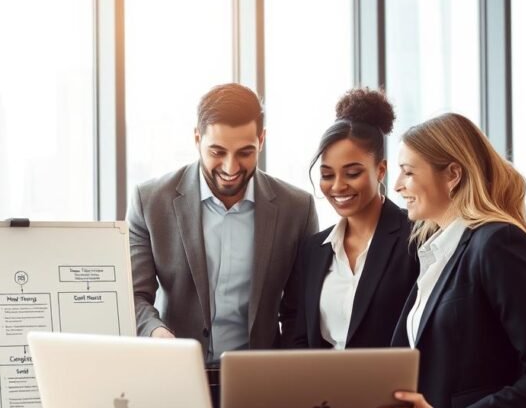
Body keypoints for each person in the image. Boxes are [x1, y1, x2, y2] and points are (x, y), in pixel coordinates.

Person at [375, 113, 526, 408]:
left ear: (452, 174)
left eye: (408, 171)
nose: (397, 186)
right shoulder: (438, 252)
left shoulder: (500, 243)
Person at [127, 83, 318, 363]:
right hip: (176, 368)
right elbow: (133, 295)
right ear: (197, 138)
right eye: (217, 152)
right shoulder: (150, 201)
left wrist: (288, 374)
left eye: (245, 152)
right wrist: (156, 333)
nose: (231, 168)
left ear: (261, 140)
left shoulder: (297, 209)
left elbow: (298, 310)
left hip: (259, 378)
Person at [290, 88, 418, 349]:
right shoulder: (313, 250)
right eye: (327, 175)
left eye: (352, 173)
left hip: (392, 387)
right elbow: (297, 333)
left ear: (380, 170)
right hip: (322, 388)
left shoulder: (416, 236)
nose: (337, 186)